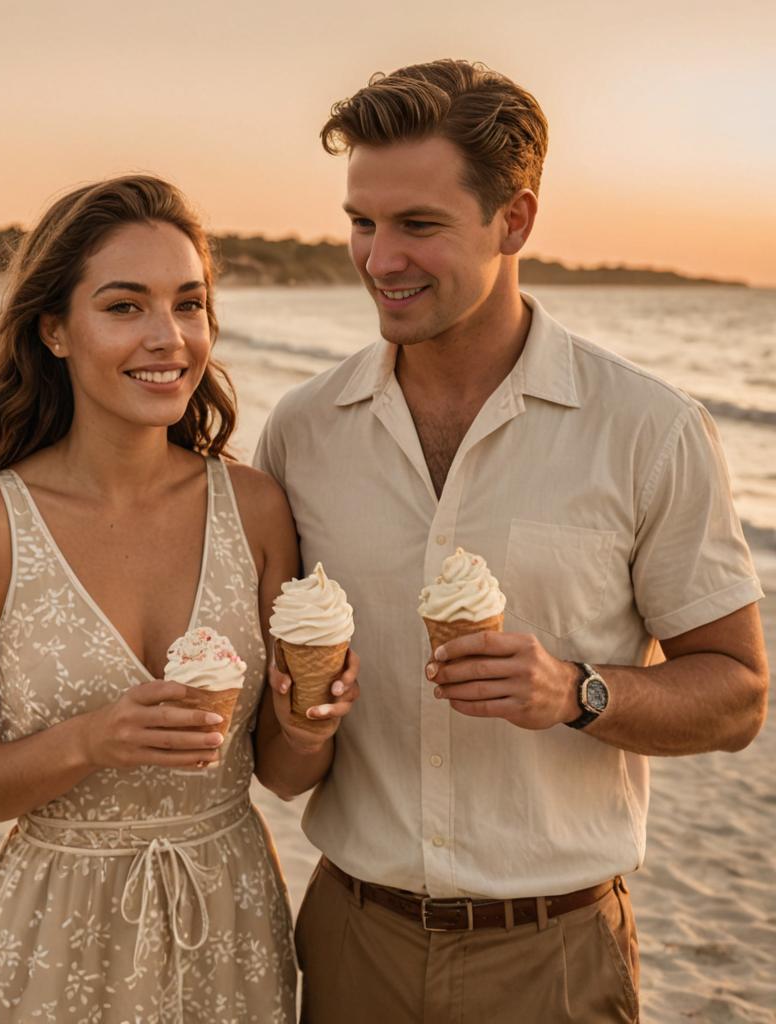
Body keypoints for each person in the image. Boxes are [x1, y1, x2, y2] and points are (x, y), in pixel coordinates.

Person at [254, 60, 769, 1022]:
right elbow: (281, 753)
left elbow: (737, 695)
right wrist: (296, 720)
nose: (377, 258)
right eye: (361, 221)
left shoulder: (650, 430)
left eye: (418, 225)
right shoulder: (301, 430)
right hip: (349, 937)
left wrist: (576, 692)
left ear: (515, 221)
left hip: (556, 961)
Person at [0, 175, 358, 1022]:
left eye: (190, 305)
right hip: (54, 931)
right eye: (124, 307)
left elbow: (286, 776)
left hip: (227, 919)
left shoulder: (255, 509)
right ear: (54, 330)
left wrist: (306, 726)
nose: (169, 338)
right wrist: (88, 741)